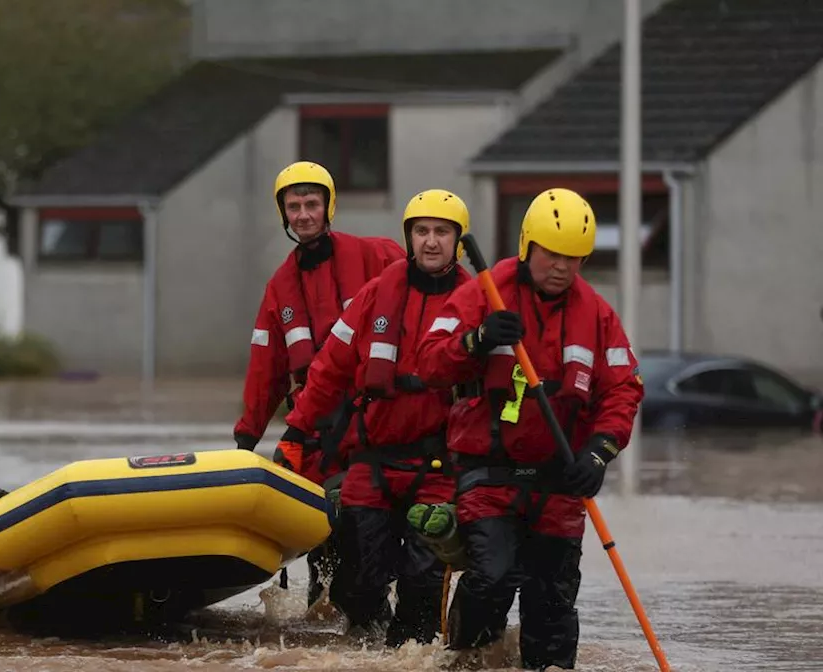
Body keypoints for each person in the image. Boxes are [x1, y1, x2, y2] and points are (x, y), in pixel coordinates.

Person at [416, 188, 644, 669]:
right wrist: (477, 340)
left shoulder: (597, 314)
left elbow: (623, 390)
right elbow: (430, 361)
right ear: (528, 247)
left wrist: (599, 452)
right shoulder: (487, 290)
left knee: (552, 604)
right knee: (493, 578)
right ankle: (462, 658)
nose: (562, 267)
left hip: (560, 479)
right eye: (552, 254)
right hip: (489, 473)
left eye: (574, 258)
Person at [277, 189, 473, 644]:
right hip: (373, 458)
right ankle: (369, 647)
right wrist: (295, 430)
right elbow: (329, 368)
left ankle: (412, 651)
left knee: (422, 582)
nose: (430, 241)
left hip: (438, 465)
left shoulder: (476, 302)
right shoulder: (379, 291)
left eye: (441, 232)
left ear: (458, 241)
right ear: (407, 237)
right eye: (421, 231)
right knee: (357, 580)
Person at [234, 161, 404, 605]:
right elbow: (264, 369)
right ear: (283, 214)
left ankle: (374, 621)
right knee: (321, 549)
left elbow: (432, 278)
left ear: (329, 207)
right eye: (294, 206)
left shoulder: (376, 255)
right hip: (313, 435)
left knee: (366, 538)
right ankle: (330, 627)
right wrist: (245, 441)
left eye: (312, 204)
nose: (304, 214)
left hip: (371, 425)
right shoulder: (280, 287)